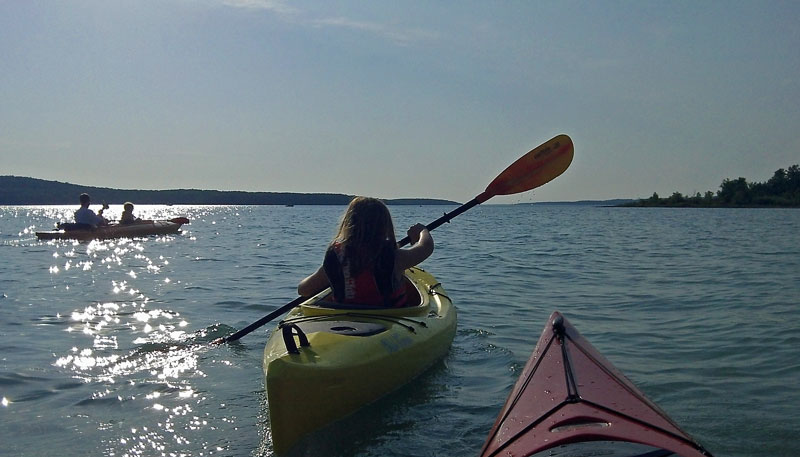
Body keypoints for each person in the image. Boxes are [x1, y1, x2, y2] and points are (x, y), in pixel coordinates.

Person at [297, 197, 434, 307]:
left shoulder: (337, 257)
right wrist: (422, 231)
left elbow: (304, 290)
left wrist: (339, 276)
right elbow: (426, 247)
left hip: (343, 313)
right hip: (388, 316)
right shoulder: (395, 258)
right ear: (384, 225)